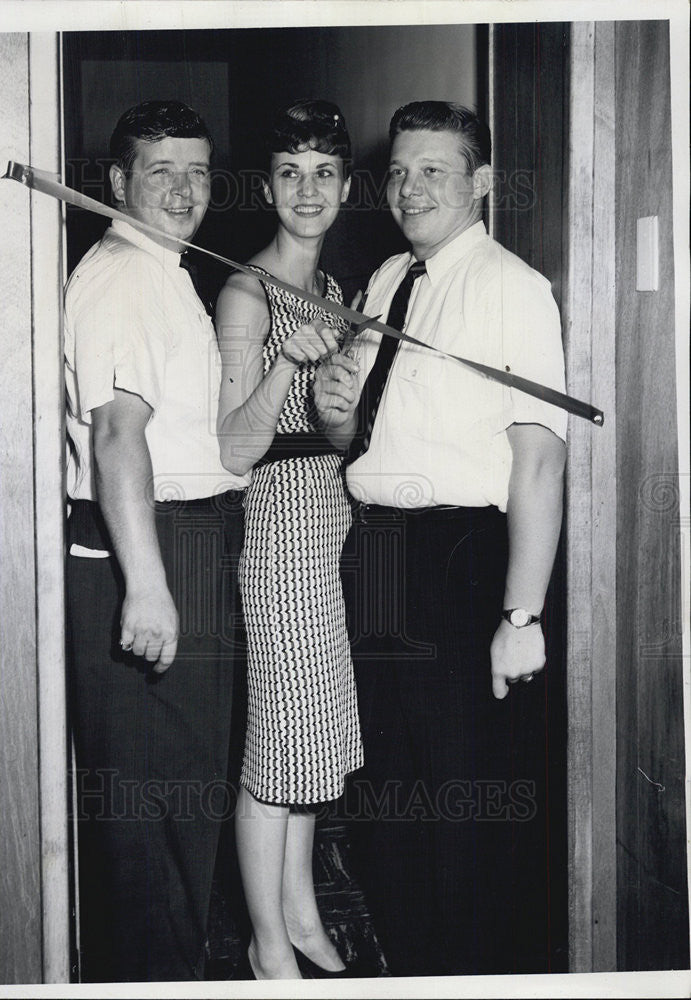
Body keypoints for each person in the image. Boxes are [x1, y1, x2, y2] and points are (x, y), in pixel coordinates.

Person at [313, 101, 567, 976]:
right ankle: (410, 966)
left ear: (481, 184)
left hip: (458, 562)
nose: (409, 187)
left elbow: (536, 463)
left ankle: (465, 970)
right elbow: (369, 444)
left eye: (433, 171)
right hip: (376, 554)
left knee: (457, 799)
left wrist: (522, 616)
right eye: (399, 171)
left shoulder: (512, 289)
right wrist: (336, 420)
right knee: (383, 792)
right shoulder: (387, 279)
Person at [63, 100, 248, 982]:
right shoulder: (126, 276)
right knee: (151, 828)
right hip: (153, 547)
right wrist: (147, 584)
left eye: (197, 171)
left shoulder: (163, 269)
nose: (183, 190)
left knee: (180, 812)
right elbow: (115, 438)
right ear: (117, 184)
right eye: (161, 171)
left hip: (182, 544)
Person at [216, 99, 363, 980]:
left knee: (313, 738)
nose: (306, 191)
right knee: (278, 744)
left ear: (345, 186)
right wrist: (286, 360)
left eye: (323, 173)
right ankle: (266, 944)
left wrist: (340, 401)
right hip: (276, 537)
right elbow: (235, 448)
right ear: (267, 187)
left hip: (330, 530)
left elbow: (336, 441)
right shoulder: (243, 289)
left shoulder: (338, 293)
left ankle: (302, 914)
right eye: (288, 173)